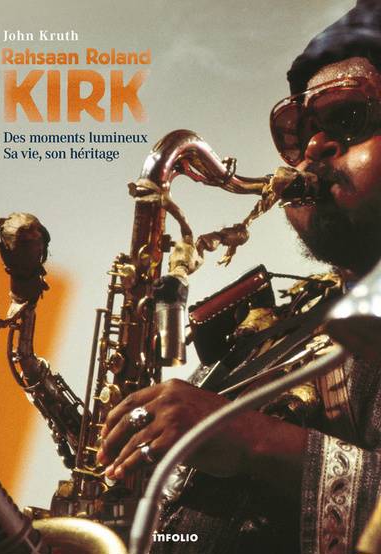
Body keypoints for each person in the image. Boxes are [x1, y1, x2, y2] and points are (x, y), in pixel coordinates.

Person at [97, 1, 381, 552]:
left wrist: (249, 438)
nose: (312, 148)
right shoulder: (270, 329)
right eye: (299, 132)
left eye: (347, 117)